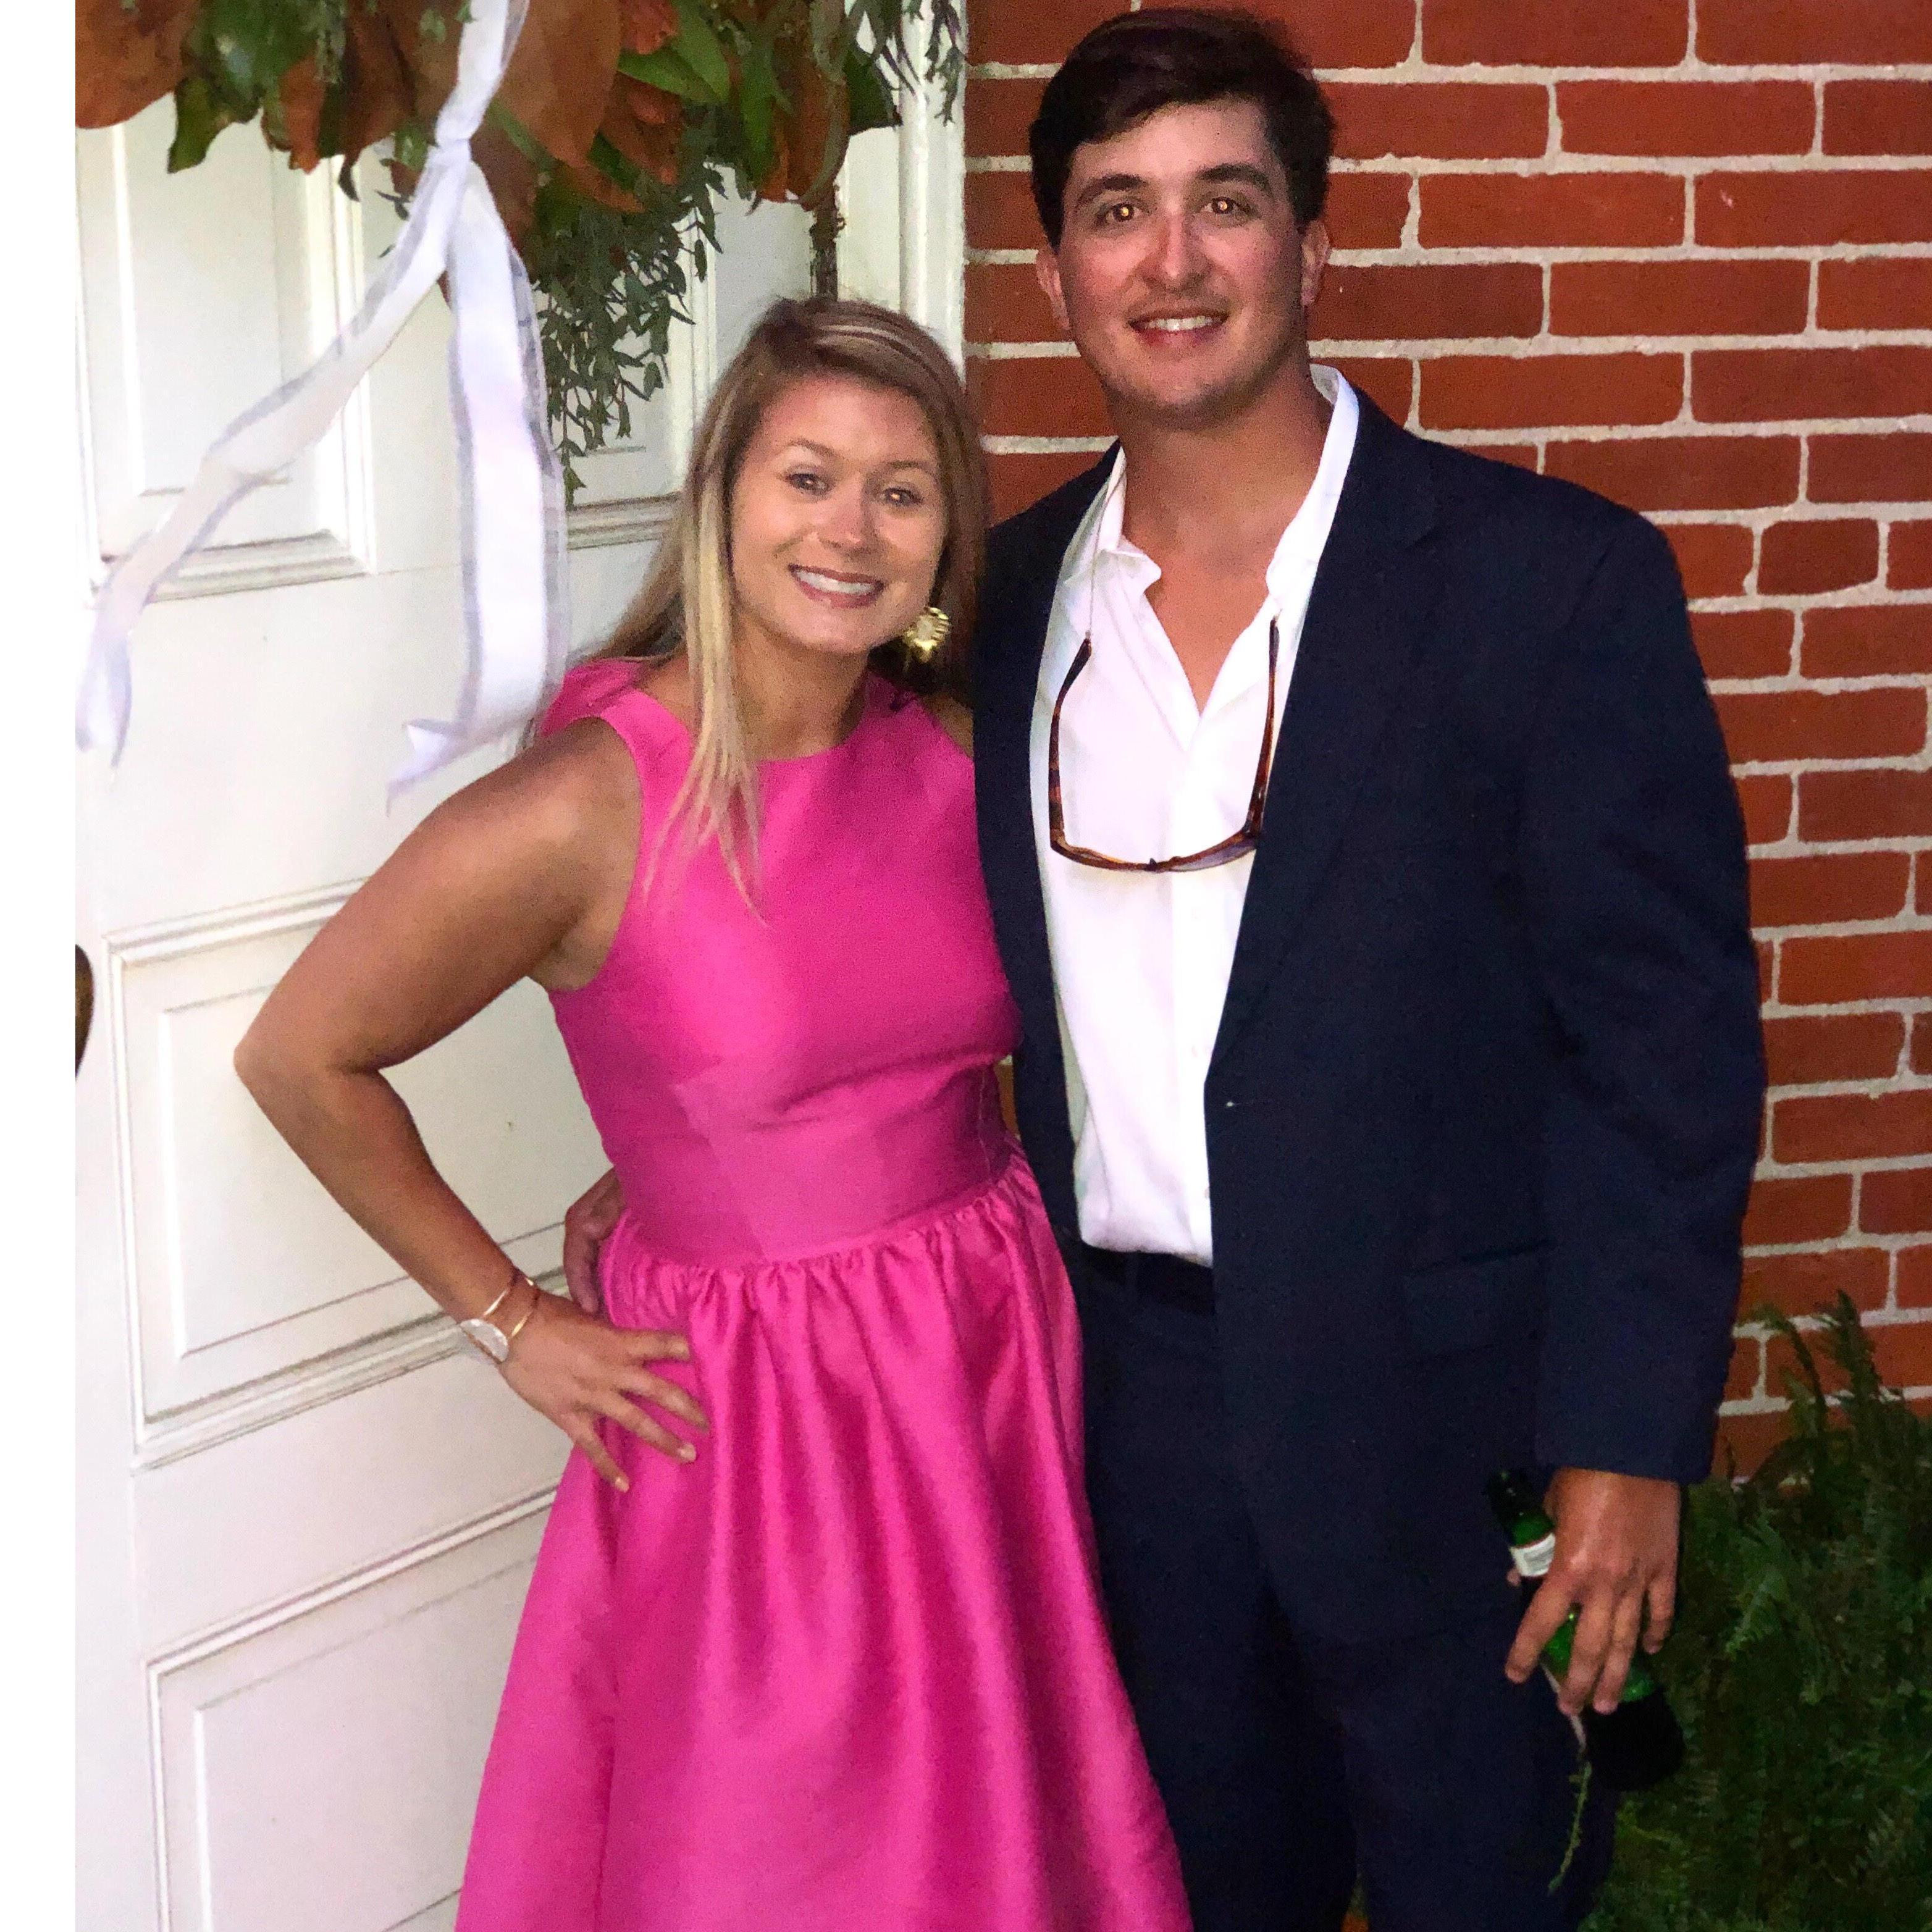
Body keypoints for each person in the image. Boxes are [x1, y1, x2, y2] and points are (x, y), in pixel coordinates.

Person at [555, 12, 1768, 1930]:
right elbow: (837, 902)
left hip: (1455, 1425)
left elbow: (1666, 1058)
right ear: (1055, 274)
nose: (1173, 258)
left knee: (1487, 1888)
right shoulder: (988, 608)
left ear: (1310, 243)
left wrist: (1625, 1440)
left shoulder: (1549, 584)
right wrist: (696, 1151)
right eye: (1118, 210)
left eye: (1226, 202)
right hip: (1122, 1419)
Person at [235, 297, 1189, 1932]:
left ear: (948, 535)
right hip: (759, 1414)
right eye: (807, 476)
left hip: (984, 1346)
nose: (850, 530)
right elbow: (301, 1057)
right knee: (780, 1846)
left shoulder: (962, 748)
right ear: (722, 494)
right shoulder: (581, 803)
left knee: (999, 1824)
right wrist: (508, 1319)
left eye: (902, 491)